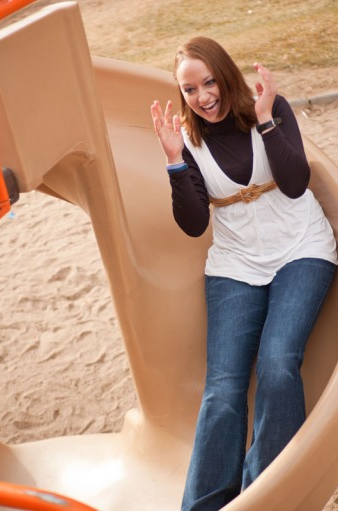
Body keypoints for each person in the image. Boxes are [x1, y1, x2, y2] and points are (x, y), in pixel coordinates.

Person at [151, 36, 337, 511]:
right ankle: (205, 505)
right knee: (223, 388)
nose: (203, 96)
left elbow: (295, 185)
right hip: (235, 264)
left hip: (301, 249)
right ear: (182, 95)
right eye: (189, 89)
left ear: (225, 75)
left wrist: (268, 120)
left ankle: (262, 496)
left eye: (209, 81)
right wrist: (174, 160)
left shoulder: (269, 111)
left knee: (277, 364)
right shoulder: (189, 141)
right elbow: (194, 225)